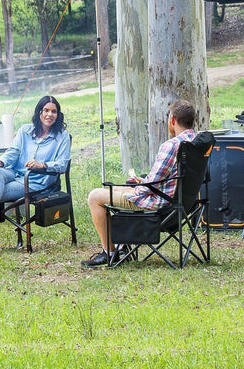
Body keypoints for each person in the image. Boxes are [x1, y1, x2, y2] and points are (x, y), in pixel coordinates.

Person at [82, 99, 197, 267]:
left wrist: (135, 191)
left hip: (160, 204)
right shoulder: (196, 143)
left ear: (172, 120)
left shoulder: (172, 145)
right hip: (181, 203)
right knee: (122, 188)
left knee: (95, 196)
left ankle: (110, 252)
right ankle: (121, 246)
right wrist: (141, 183)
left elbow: (154, 183)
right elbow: (166, 178)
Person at [0, 95, 71, 252]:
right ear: (39, 112)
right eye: (46, 110)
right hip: (15, 173)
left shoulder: (62, 136)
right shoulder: (25, 130)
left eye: (54, 111)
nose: (49, 115)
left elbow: (62, 164)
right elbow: (13, 152)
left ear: (58, 115)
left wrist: (43, 165)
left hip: (37, 182)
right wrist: (1, 162)